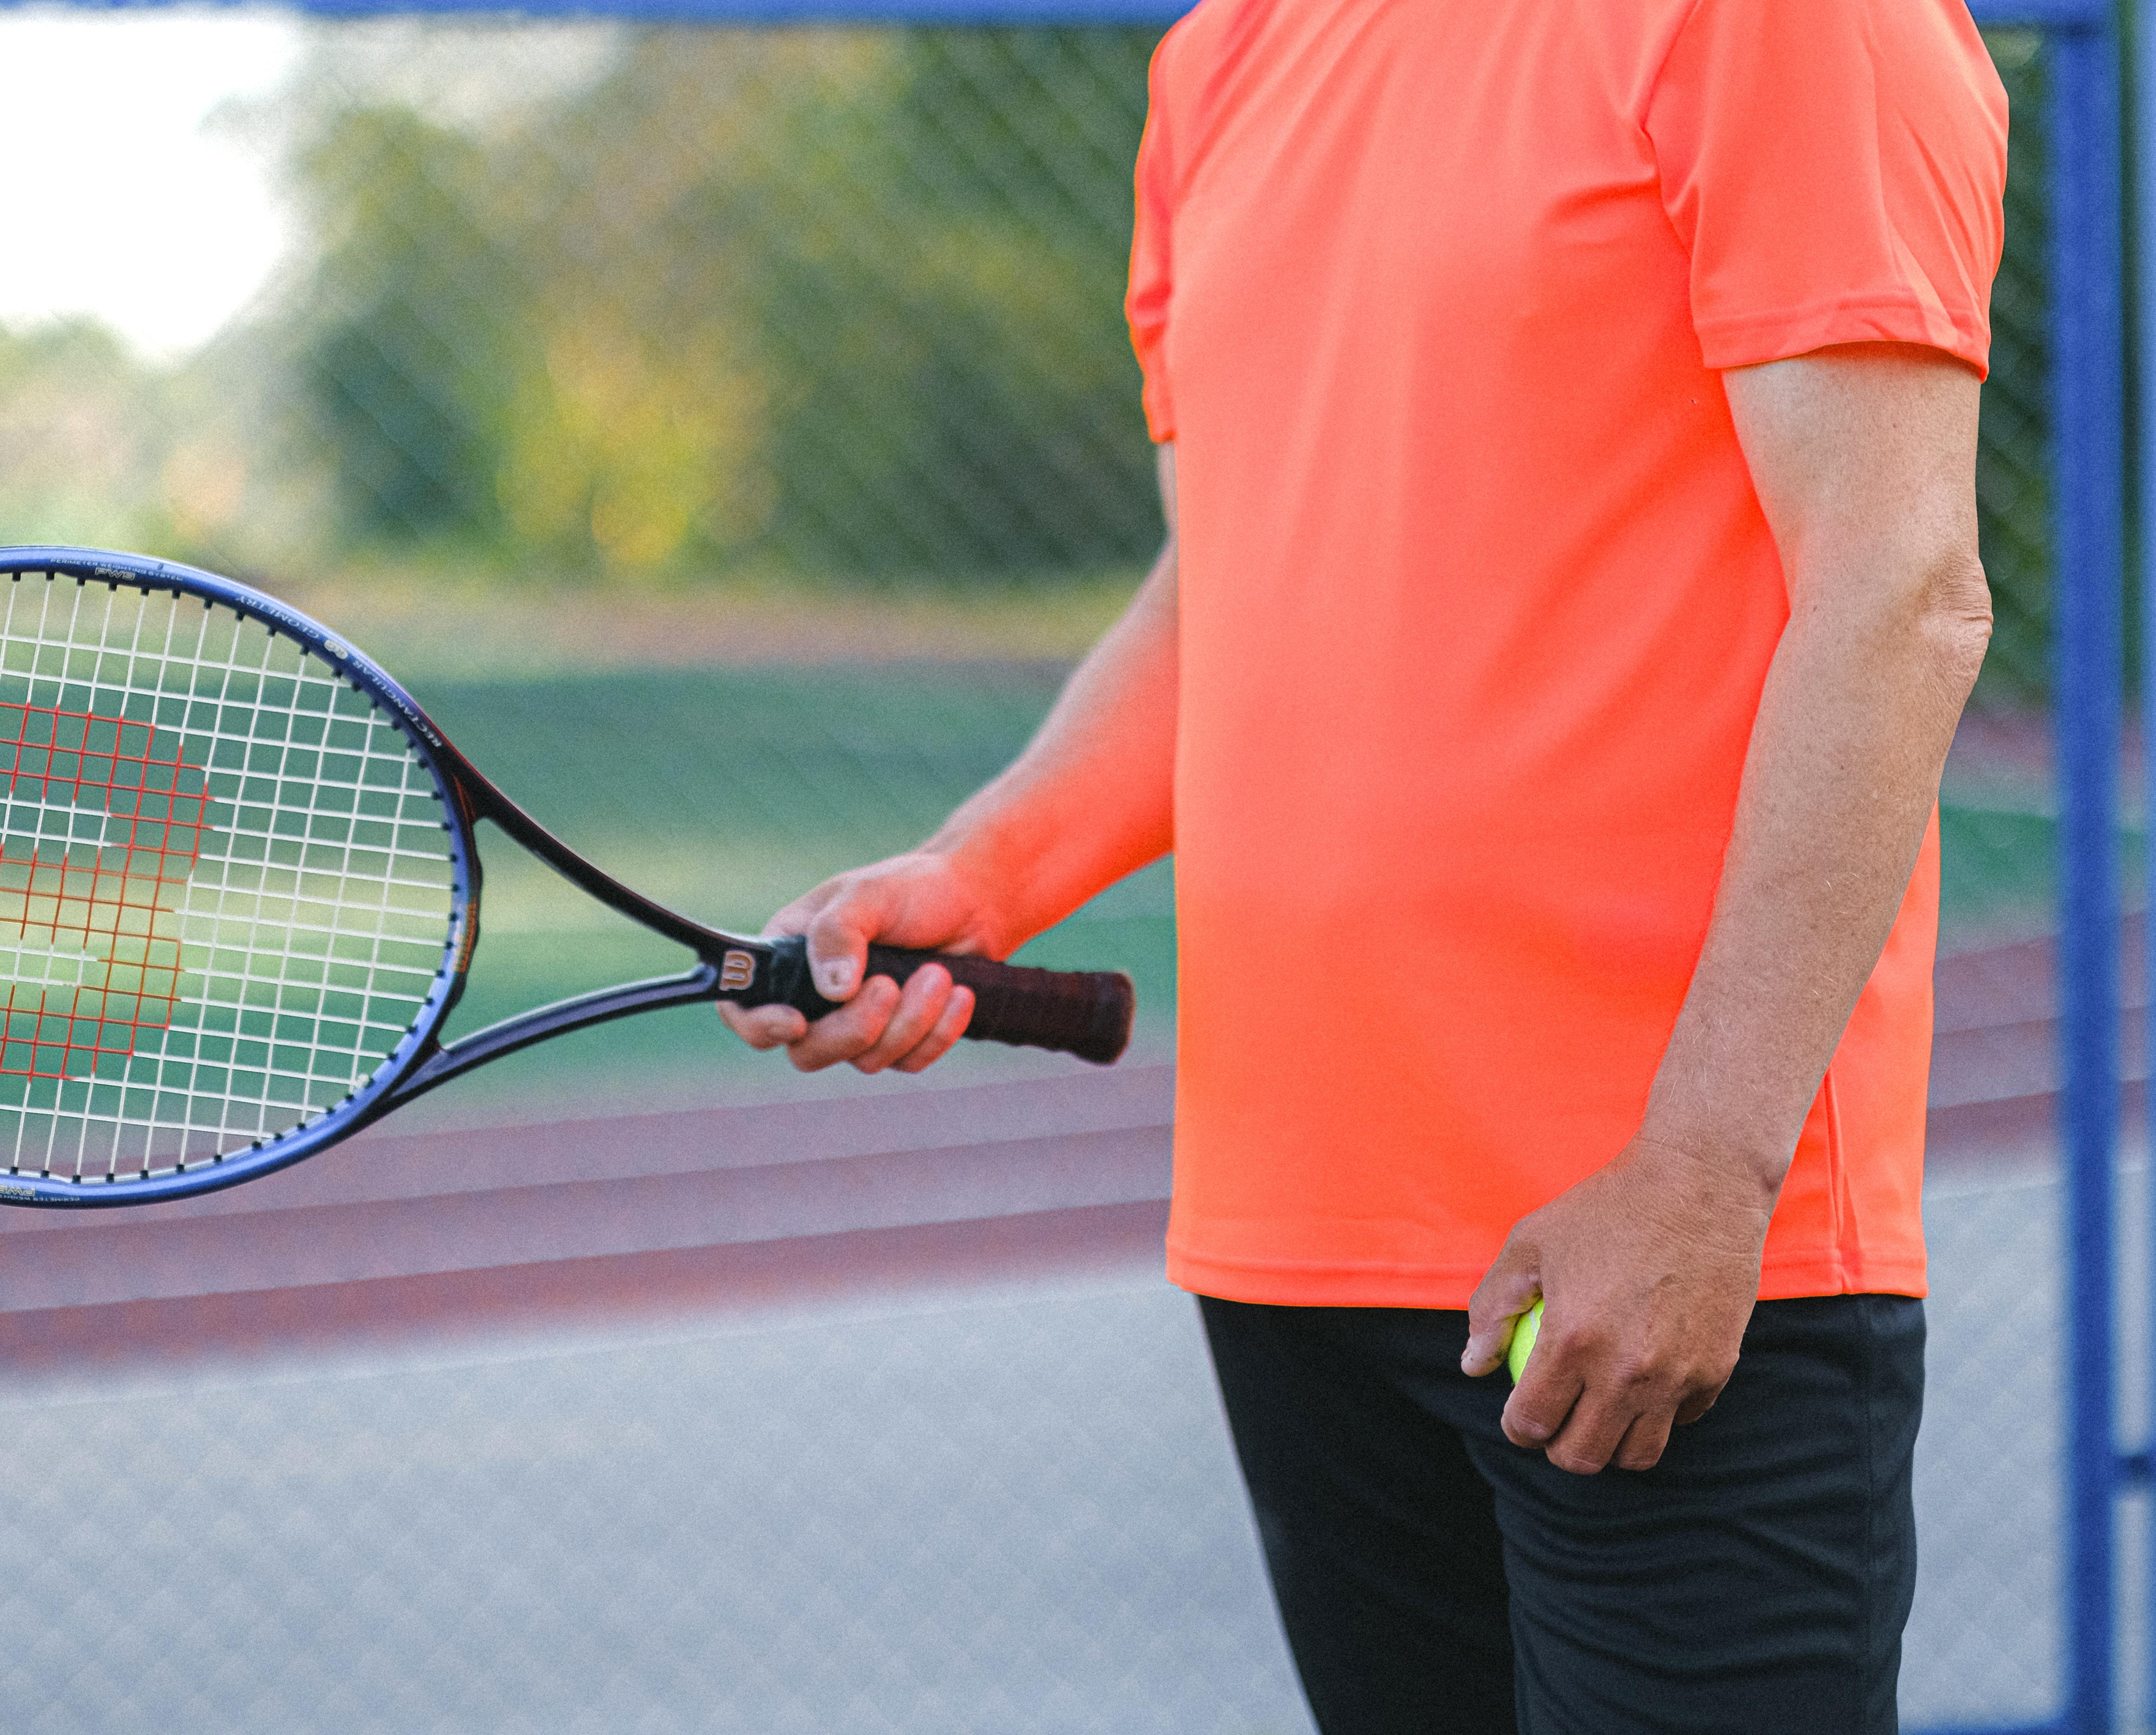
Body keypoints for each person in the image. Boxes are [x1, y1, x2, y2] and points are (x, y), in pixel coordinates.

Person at [722, 0, 2006, 1728]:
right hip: (1294, 1248)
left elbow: (1901, 594)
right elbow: (1226, 585)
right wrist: (983, 870)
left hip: (1652, 1244)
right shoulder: (1225, 56)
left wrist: (1705, 1168)